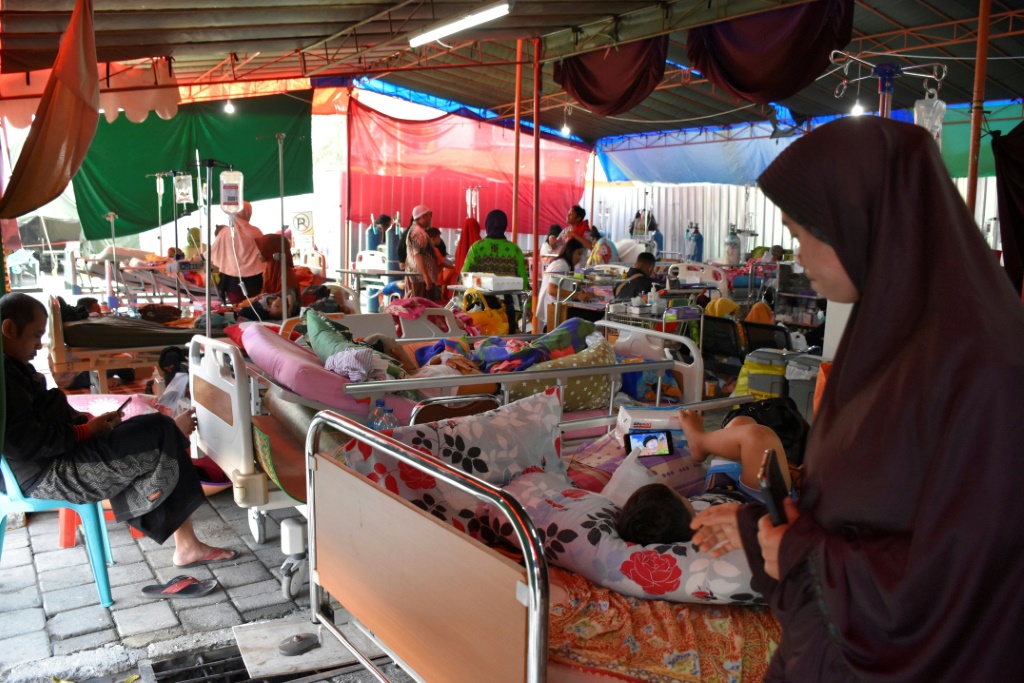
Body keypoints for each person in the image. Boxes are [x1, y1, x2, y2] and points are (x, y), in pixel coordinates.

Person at [694, 116, 1024, 681]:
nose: (798, 256)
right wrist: (763, 530)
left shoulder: (984, 370)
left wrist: (797, 552)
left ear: (857, 220)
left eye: (801, 234)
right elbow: (873, 509)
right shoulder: (888, 342)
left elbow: (963, 576)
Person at [0, 293, 238, 567]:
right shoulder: (5, 375)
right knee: (161, 433)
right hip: (47, 474)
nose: (39, 345)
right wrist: (85, 432)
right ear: (9, 329)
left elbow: (41, 420)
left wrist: (89, 424)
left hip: (54, 459)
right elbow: (22, 442)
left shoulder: (13, 369)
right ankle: (187, 545)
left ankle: (187, 543)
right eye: (35, 335)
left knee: (150, 426)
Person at [618, 408, 791, 545]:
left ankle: (701, 443)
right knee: (757, 436)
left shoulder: (674, 518)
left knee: (741, 423)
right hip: (753, 504)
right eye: (680, 497)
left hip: (718, 489)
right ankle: (700, 442)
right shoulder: (708, 537)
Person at [461, 209, 529, 331]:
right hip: (509, 310)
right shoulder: (515, 250)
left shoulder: (477, 248)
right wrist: (528, 307)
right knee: (510, 339)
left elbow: (464, 277)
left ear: (487, 225)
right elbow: (523, 282)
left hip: (481, 307)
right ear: (505, 226)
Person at [209, 201, 264, 305]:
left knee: (237, 308)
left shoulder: (224, 233)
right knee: (255, 308)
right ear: (248, 212)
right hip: (255, 280)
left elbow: (211, 252)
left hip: (232, 281)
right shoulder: (256, 232)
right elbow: (264, 253)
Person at [536, 237, 588, 333]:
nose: (580, 258)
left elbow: (570, 280)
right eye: (578, 254)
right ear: (570, 252)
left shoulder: (565, 265)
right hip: (552, 310)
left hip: (556, 309)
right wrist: (577, 295)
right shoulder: (560, 265)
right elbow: (552, 290)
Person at [256, 233, 299, 317]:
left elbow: (287, 304)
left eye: (261, 250)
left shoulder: (284, 273)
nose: (257, 253)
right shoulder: (269, 269)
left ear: (272, 252)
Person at [405, 204, 441, 302]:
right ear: (423, 216)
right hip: (421, 279)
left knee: (424, 306)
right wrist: (426, 276)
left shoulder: (418, 231)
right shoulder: (418, 233)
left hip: (421, 278)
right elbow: (418, 255)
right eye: (430, 215)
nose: (430, 218)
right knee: (423, 306)